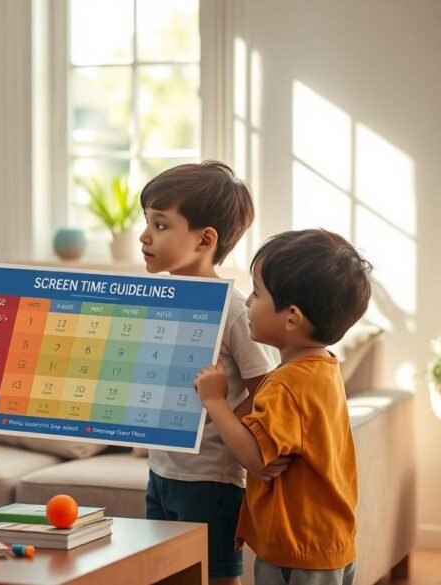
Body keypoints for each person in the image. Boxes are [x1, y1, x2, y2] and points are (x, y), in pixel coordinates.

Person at [138, 161, 284, 585]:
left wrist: (224, 421)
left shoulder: (235, 309)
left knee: (216, 576)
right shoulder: (159, 300)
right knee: (166, 572)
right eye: (146, 223)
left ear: (205, 239)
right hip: (162, 469)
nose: (145, 237)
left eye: (161, 225)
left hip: (212, 479)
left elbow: (267, 388)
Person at [195, 229, 369, 585]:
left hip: (297, 551)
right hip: (328, 541)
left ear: (292, 318)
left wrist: (215, 401)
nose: (247, 303)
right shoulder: (323, 368)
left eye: (257, 293)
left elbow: (257, 459)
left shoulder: (286, 384)